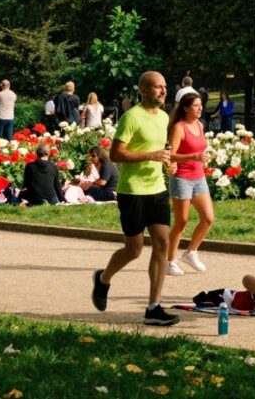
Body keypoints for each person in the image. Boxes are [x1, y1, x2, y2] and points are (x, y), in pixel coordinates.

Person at [90, 71, 178, 326]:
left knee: (162, 244)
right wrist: (150, 156)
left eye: (164, 87)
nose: (162, 91)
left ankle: (154, 307)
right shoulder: (131, 117)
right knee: (134, 249)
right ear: (143, 90)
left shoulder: (163, 117)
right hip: (132, 192)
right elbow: (116, 154)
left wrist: (167, 165)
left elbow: (164, 152)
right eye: (157, 87)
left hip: (158, 190)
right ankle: (103, 278)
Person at [166, 92, 214, 276]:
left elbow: (200, 148)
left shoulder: (199, 125)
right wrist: (193, 156)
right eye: (195, 105)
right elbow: (171, 154)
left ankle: (191, 252)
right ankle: (169, 261)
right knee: (181, 221)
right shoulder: (179, 127)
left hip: (199, 177)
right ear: (186, 108)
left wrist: (202, 157)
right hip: (182, 178)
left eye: (200, 104)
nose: (200, 108)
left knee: (208, 218)